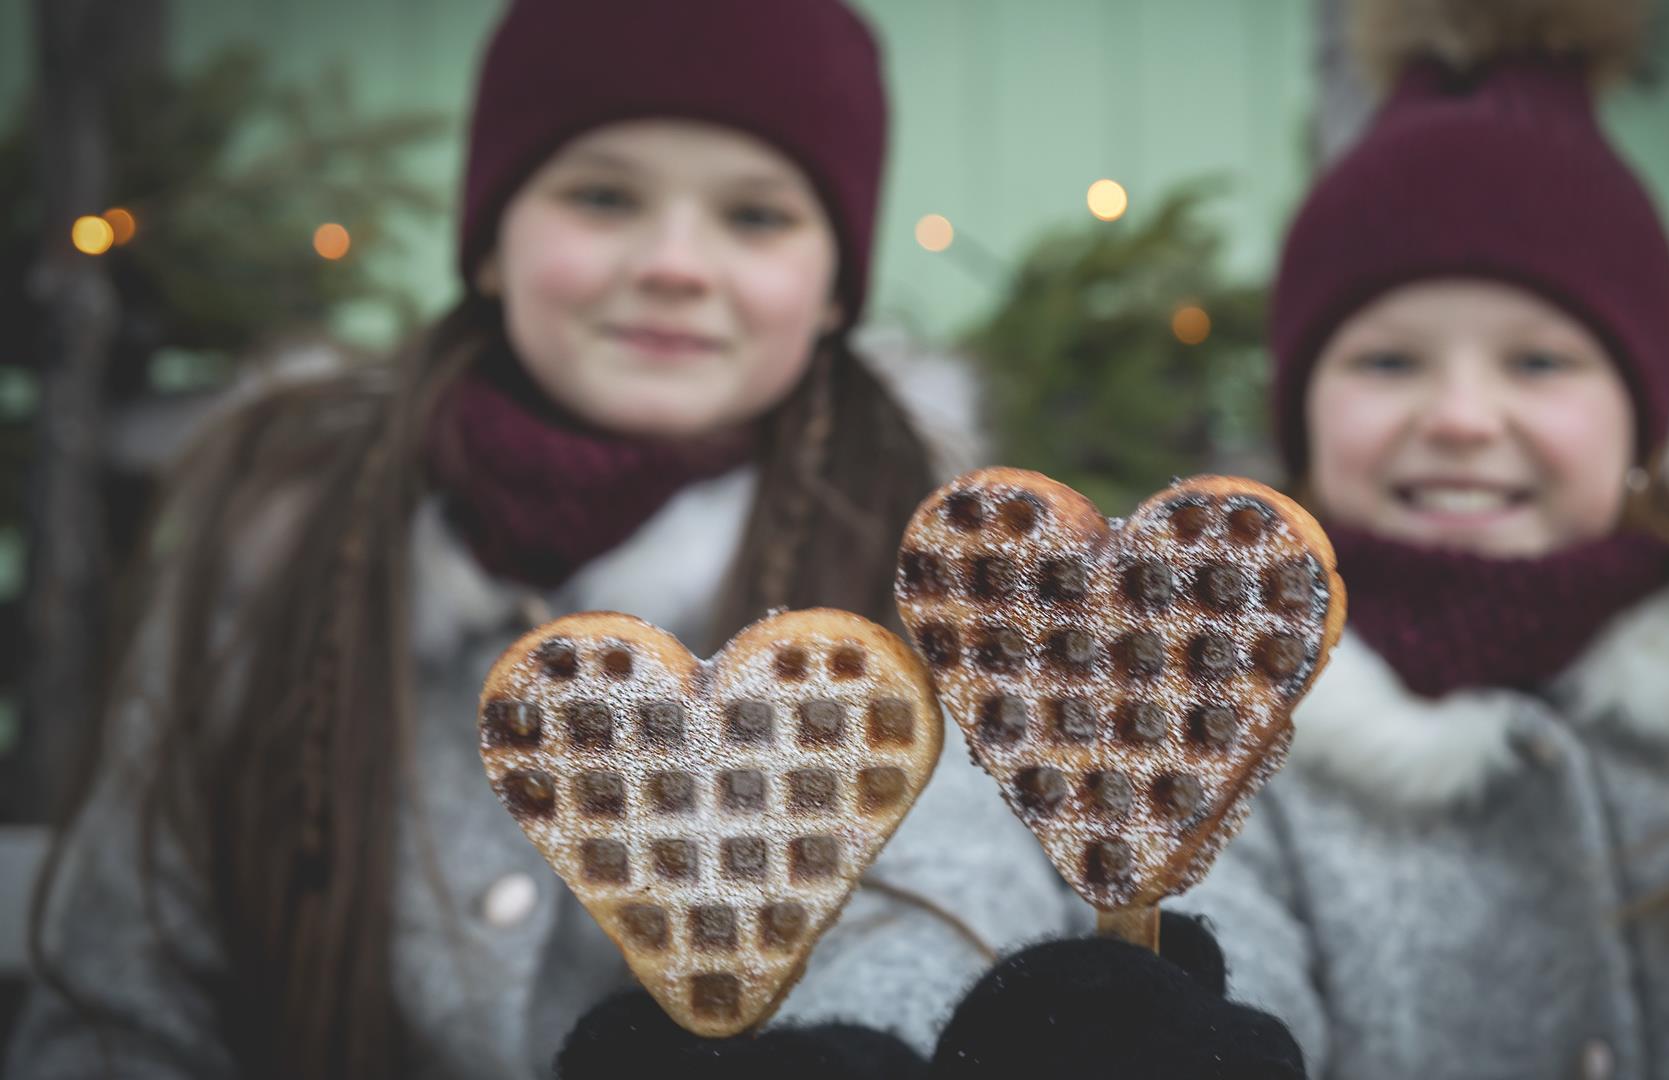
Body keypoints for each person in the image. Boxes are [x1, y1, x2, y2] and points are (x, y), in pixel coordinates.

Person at [7, 2, 1075, 1077]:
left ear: (836, 285)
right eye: (603, 196)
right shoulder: (279, 542)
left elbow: (946, 919)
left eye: (755, 217)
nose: (674, 264)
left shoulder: (932, 582)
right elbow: (120, 995)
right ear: (489, 241)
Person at [1181, 2, 1669, 1078]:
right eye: (1389, 363)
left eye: (1539, 364)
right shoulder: (1224, 744)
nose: (1464, 419)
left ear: (1642, 417)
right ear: (1301, 418)